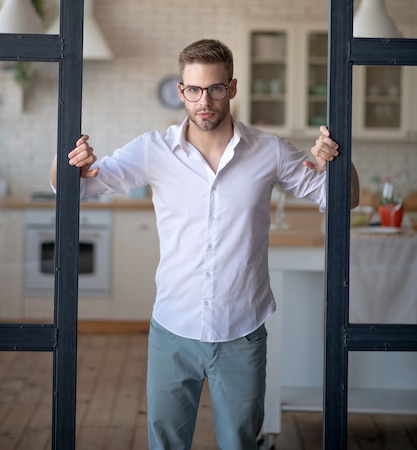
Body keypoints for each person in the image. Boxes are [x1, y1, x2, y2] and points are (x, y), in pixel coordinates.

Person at [50, 38, 359, 450]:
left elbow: (344, 199)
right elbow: (71, 188)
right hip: (172, 330)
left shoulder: (269, 150)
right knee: (166, 444)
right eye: (194, 90)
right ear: (182, 92)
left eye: (215, 88)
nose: (204, 101)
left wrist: (340, 161)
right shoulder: (152, 150)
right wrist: (68, 160)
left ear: (231, 88)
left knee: (240, 444)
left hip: (242, 332)